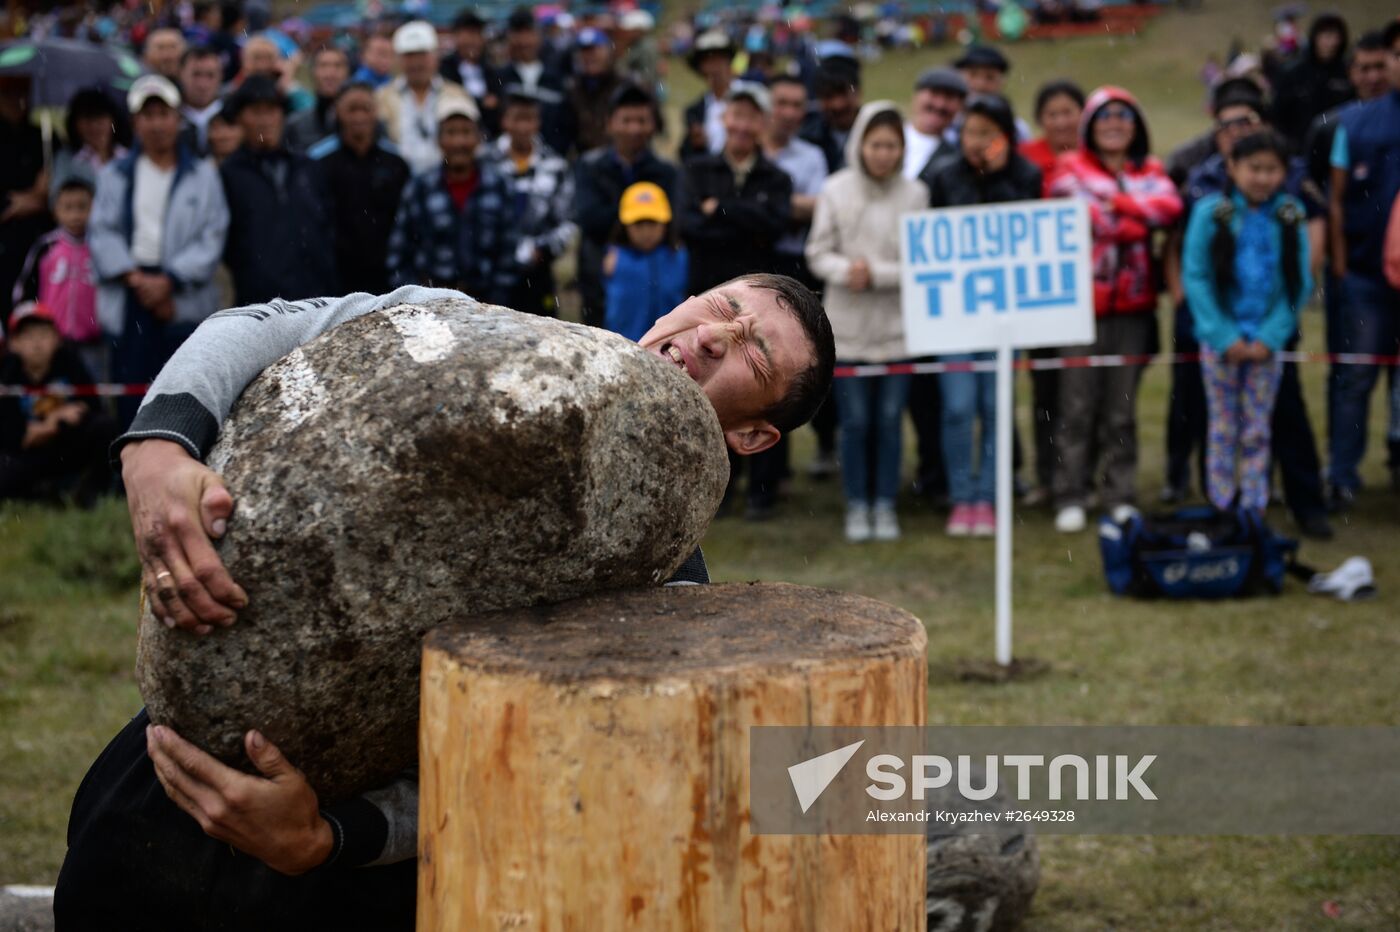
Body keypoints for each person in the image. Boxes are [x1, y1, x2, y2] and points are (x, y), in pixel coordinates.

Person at [56, 272, 834, 930]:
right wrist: (159, 444)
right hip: (164, 784)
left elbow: (538, 772)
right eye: (721, 306)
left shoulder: (671, 592)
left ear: (756, 439)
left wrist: (332, 836)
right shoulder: (474, 330)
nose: (713, 337)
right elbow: (264, 327)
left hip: (358, 883)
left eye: (752, 355)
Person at [1048, 86, 1183, 533]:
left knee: (1121, 407)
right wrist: (1131, 216)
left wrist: (1119, 206)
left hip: (1134, 308)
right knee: (1077, 403)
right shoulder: (1068, 169)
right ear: (1090, 126)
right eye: (1105, 116)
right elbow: (1081, 216)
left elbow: (1168, 208)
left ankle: (1119, 493)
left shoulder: (1152, 170)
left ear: (1137, 126)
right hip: (1079, 308)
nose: (1114, 124)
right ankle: (1071, 491)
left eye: (1124, 116)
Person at [807, 101, 928, 542]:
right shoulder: (836, 189)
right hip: (849, 330)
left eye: (892, 145)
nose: (883, 154)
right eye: (876, 144)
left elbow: (921, 260)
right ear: (861, 144)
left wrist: (877, 274)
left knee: (891, 419)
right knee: (856, 421)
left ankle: (885, 503)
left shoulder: (916, 194)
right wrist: (845, 272)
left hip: (897, 331)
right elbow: (817, 252)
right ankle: (857, 502)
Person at [923, 94, 1042, 537]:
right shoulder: (943, 175)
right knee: (957, 407)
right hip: (953, 315)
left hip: (1002, 317)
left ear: (1005, 137)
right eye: (971, 132)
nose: (977, 142)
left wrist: (994, 179)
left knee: (996, 407)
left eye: (987, 134)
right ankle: (962, 496)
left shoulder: (1026, 175)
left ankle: (988, 498)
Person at [1183, 130, 1311, 514]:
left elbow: (1299, 282)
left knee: (1257, 428)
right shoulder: (1210, 212)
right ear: (1233, 168)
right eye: (1254, 168)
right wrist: (1224, 336)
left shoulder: (1291, 214)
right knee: (1223, 428)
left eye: (1271, 169)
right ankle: (1223, 505)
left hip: (1266, 344)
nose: (1262, 178)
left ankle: (1253, 508)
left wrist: (1270, 337)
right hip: (1222, 341)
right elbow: (1197, 276)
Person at [681, 82, 794, 516]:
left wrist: (720, 208)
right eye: (737, 115)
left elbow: (775, 225)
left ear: (763, 124)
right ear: (725, 119)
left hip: (759, 306)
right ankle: (718, 491)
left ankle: (763, 490)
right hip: (707, 298)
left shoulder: (776, 178)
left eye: (753, 117)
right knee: (706, 389)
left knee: (760, 386)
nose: (743, 125)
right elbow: (690, 226)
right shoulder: (696, 170)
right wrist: (746, 216)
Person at [91, 75, 229, 428]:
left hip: (181, 291)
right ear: (135, 122)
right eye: (147, 115)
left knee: (183, 385)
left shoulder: (202, 175)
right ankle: (128, 471)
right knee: (133, 385)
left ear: (177, 119)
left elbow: (211, 236)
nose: (156, 124)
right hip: (130, 287)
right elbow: (102, 230)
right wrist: (136, 279)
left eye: (163, 114)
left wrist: (170, 280)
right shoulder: (115, 175)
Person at [1326, 20, 1400, 509]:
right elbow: (1334, 199)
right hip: (1365, 275)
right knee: (1355, 377)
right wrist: (1338, 268)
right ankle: (1342, 473)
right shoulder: (1353, 124)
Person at [754, 74, 829, 516]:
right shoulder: (745, 144)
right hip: (747, 261)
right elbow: (792, 207)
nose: (789, 112)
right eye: (781, 102)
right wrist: (781, 206)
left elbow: (817, 209)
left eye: (797, 104)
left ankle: (773, 475)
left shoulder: (812, 155)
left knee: (779, 367)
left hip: (793, 265)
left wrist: (766, 205)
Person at [219, 76, 334, 305]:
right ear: (241, 118)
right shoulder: (229, 174)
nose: (265, 120)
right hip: (258, 303)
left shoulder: (307, 167)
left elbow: (326, 228)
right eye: (256, 112)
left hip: (315, 298)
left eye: (271, 110)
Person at [574, 84, 680, 330]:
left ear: (653, 125)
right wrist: (642, 217)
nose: (634, 128)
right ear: (610, 123)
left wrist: (620, 221)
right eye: (626, 120)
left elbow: (672, 222)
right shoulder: (590, 167)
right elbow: (590, 219)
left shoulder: (666, 172)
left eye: (642, 120)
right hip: (598, 274)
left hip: (654, 279)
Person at [386, 96, 510, 298]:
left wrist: (496, 298)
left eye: (466, 132)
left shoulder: (499, 186)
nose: (459, 142)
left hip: (487, 304)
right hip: (429, 304)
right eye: (451, 133)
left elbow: (509, 251)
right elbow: (399, 253)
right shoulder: (420, 187)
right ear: (439, 139)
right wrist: (416, 299)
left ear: (478, 137)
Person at [0, 302, 117, 504]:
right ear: (14, 343)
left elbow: (93, 406)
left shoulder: (69, 362)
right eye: (28, 336)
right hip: (26, 454)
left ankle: (93, 491)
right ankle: (40, 495)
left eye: (43, 335)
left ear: (56, 339)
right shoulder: (7, 375)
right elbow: (18, 437)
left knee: (105, 427)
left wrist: (53, 425)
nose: (37, 344)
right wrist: (54, 420)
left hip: (66, 445)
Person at [308, 83, 410, 296]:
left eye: (366, 109)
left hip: (387, 275)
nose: (359, 117)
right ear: (338, 112)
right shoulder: (317, 161)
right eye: (352, 109)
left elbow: (406, 220)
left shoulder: (395, 162)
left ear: (376, 112)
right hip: (334, 276)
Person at [489, 88, 577, 316]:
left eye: (529, 119)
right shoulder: (486, 161)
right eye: (517, 119)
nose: (523, 127)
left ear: (538, 122)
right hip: (492, 270)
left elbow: (568, 221)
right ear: (504, 121)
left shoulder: (555, 165)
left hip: (539, 271)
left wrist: (543, 248)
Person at [12, 179, 101, 377]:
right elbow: (26, 287)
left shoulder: (100, 247)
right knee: (56, 391)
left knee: (93, 390)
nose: (75, 215)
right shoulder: (46, 246)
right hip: (52, 341)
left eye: (82, 207)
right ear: (55, 210)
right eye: (68, 207)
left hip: (93, 339)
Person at [376, 21, 470, 176]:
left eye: (422, 54)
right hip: (395, 180)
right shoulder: (381, 97)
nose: (416, 62)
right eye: (409, 55)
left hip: (445, 181)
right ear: (399, 59)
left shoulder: (457, 95)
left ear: (435, 56)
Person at [603, 181, 687, 340]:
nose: (646, 231)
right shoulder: (612, 258)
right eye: (638, 224)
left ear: (665, 224)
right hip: (624, 346)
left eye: (652, 223)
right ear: (624, 226)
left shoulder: (678, 256)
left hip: (670, 348)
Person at [488, 8, 574, 156]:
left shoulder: (556, 77)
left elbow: (565, 124)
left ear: (538, 36)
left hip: (551, 163)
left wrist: (554, 154)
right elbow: (493, 123)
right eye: (517, 33)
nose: (523, 40)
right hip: (506, 162)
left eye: (528, 32)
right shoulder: (497, 77)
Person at [0, 75, 50, 328]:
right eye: (9, 94)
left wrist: (40, 199)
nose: (17, 101)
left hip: (37, 239)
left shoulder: (42, 136)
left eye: (22, 93)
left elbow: (53, 190)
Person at [1272, 12, 1353, 151]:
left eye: (1336, 36)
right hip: (1299, 147)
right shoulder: (1294, 73)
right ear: (1315, 37)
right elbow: (1278, 115)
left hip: (1338, 146)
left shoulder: (1348, 73)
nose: (1332, 42)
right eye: (1326, 36)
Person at [52, 88, 130, 197]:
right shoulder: (65, 159)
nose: (94, 126)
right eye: (87, 119)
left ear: (113, 120)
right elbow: (56, 199)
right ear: (74, 123)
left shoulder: (128, 157)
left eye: (100, 118)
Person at [952, 45, 1031, 140]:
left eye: (990, 77)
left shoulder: (1017, 129)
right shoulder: (945, 122)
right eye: (973, 74)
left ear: (1002, 82)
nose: (980, 85)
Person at [680, 29, 735, 162]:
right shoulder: (695, 111)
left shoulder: (751, 96)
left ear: (728, 61)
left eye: (718, 58)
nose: (713, 66)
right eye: (707, 60)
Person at [904, 67, 966, 181]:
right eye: (934, 94)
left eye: (949, 97)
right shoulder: (883, 136)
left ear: (960, 107)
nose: (940, 104)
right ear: (916, 96)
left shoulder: (957, 158)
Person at [569, 28, 624, 156]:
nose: (589, 56)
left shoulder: (625, 85)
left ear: (608, 52)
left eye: (595, 50)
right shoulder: (572, 89)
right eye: (584, 51)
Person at [285, 47, 350, 152]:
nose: (330, 73)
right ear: (313, 72)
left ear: (347, 72)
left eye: (337, 66)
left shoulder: (361, 121)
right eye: (323, 66)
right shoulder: (296, 124)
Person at [1020, 80, 1084, 182]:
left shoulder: (1096, 153)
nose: (1061, 123)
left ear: (1084, 113)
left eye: (1067, 113)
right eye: (1052, 115)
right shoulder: (1023, 157)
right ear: (1039, 119)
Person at [801, 65, 862, 173]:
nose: (837, 105)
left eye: (843, 94)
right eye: (829, 96)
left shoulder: (878, 132)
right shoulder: (807, 138)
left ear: (858, 92)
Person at [177, 46, 225, 157]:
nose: (203, 85)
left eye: (210, 75)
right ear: (181, 74)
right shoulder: (170, 116)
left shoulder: (232, 116)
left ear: (221, 76)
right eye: (196, 75)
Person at [439, 9, 490, 103]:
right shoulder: (443, 69)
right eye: (470, 33)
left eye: (479, 33)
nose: (475, 40)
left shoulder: (490, 71)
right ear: (456, 35)